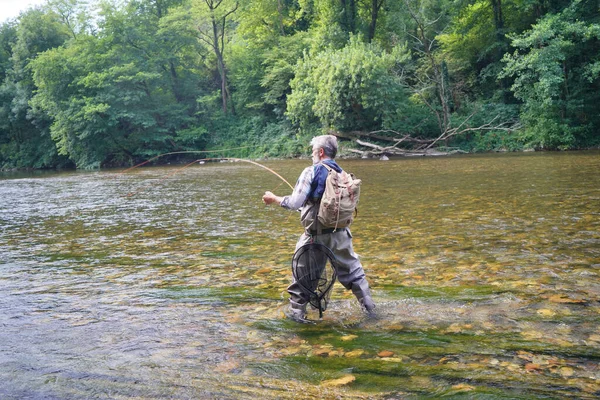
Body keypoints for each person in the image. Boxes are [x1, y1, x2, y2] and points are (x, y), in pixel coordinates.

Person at [262, 135, 375, 321]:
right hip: (342, 236)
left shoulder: (311, 171)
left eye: (313, 151)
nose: (312, 155)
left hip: (315, 238)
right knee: (355, 275)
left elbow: (295, 202)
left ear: (320, 152)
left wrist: (274, 199)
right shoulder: (343, 174)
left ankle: (298, 323)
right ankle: (371, 312)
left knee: (301, 281)